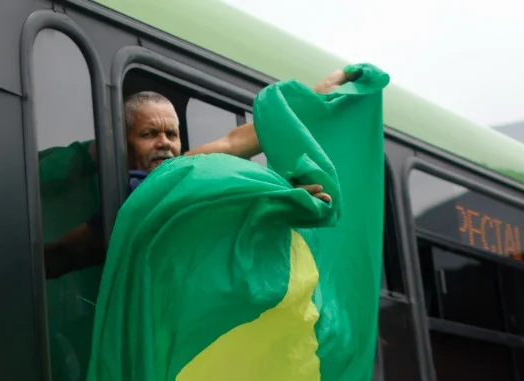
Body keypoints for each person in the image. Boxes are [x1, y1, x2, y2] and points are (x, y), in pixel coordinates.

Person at [44, 67, 357, 280]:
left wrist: (316, 97)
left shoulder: (181, 173)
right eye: (149, 133)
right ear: (123, 145)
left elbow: (234, 141)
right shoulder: (138, 196)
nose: (164, 144)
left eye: (172, 134)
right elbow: (63, 254)